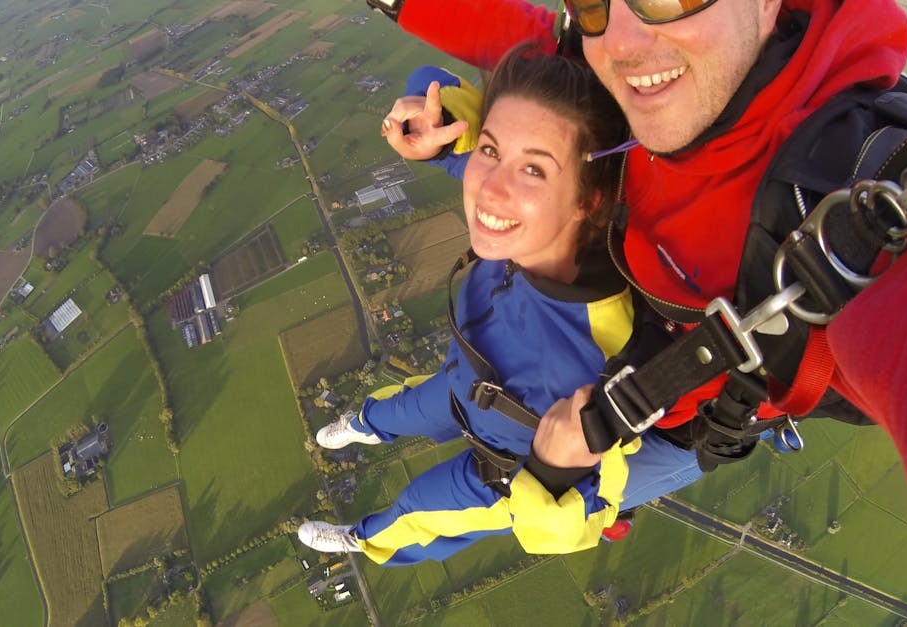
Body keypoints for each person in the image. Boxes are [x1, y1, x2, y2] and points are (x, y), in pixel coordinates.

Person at [364, 0, 907, 621]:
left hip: (672, 426)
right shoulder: (660, 72)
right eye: (593, 3)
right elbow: (541, 49)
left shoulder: (848, 199)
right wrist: (466, 130)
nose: (618, 42)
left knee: (544, 502)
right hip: (611, 357)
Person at [296, 46, 703, 566]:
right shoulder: (535, 223)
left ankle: (361, 537)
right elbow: (438, 90)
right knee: (394, 410)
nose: (489, 186)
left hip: (505, 471)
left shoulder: (611, 352)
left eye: (533, 169)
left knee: (417, 514)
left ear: (588, 202)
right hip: (457, 384)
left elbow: (576, 521)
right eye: (490, 151)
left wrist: (554, 473)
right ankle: (363, 425)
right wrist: (438, 121)